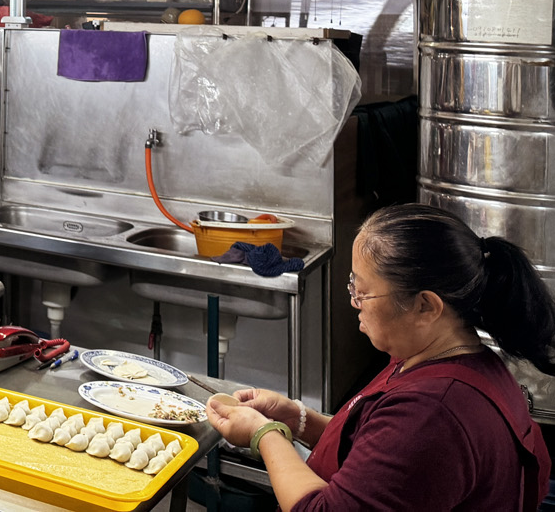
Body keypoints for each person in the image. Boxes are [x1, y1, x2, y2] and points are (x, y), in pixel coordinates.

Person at [207, 204, 554, 512]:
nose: (354, 302)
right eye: (352, 286)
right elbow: (381, 454)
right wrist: (299, 419)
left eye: (363, 292)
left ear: (425, 306)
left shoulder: (433, 412)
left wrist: (265, 434)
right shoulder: (437, 360)